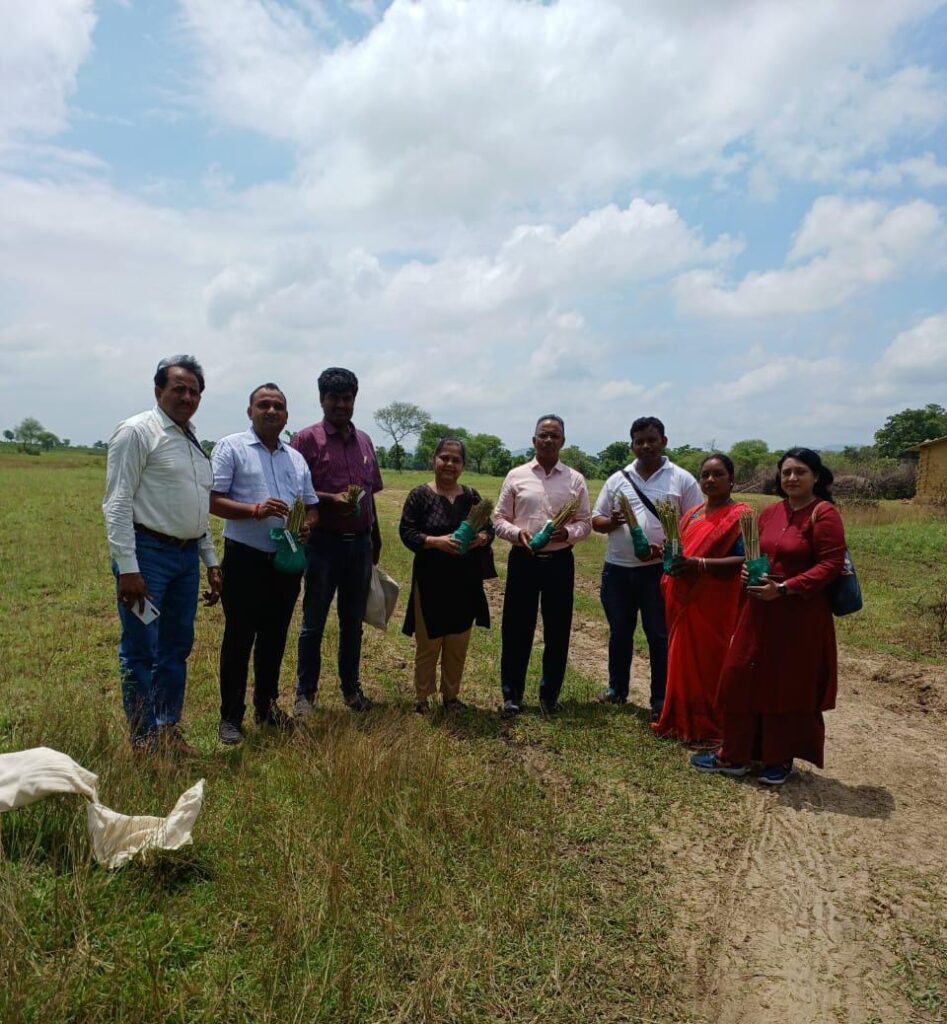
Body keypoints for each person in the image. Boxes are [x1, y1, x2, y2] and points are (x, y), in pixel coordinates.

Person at [692, 448, 846, 786]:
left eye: (800, 472)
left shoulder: (824, 514)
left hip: (799, 615)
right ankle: (733, 755)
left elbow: (830, 566)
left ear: (816, 477)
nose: (792, 478)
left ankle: (777, 759)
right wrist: (750, 568)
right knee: (738, 675)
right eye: (786, 472)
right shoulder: (770, 513)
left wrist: (787, 588)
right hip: (759, 608)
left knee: (787, 685)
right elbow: (756, 553)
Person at [103, 355, 222, 756]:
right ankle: (143, 741)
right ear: (159, 391)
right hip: (147, 557)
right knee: (141, 649)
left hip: (186, 560)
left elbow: (198, 506)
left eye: (194, 391)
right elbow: (117, 503)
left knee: (175, 647)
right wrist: (128, 567)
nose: (187, 396)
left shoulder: (191, 440)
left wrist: (211, 560)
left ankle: (167, 728)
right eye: (179, 388)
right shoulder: (138, 432)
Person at [210, 384, 319, 744]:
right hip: (245, 559)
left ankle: (267, 707)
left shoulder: (296, 459)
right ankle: (230, 717)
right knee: (239, 638)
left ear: (287, 415)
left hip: (286, 561)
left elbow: (312, 506)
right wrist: (254, 511)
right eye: (264, 405)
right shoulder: (231, 448)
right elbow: (212, 499)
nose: (271, 411)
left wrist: (307, 526)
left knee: (275, 637)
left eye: (279, 406)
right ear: (250, 411)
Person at [591, 416, 701, 721]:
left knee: (659, 635)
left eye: (652, 439)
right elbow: (596, 520)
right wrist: (612, 521)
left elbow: (696, 524)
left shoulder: (681, 479)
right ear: (632, 445)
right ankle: (617, 690)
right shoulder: (618, 479)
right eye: (639, 441)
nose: (645, 446)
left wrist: (668, 549)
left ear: (664, 441)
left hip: (659, 572)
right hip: (617, 570)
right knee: (619, 633)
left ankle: (660, 698)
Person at [290, 368, 384, 714]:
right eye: (334, 398)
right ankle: (305, 694)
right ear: (321, 399)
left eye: (348, 398)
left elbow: (371, 493)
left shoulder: (365, 442)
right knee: (313, 621)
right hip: (321, 545)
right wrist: (331, 498)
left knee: (352, 622)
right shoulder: (306, 440)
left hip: (358, 544)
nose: (341, 405)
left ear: (354, 400)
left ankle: (351, 689)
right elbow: (294, 491)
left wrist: (375, 536)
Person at [493, 415, 591, 714]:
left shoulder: (575, 479)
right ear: (533, 440)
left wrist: (568, 532)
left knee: (558, 630)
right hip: (524, 559)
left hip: (560, 562)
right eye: (543, 435)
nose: (548, 440)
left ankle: (549, 696)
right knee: (516, 628)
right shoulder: (516, 475)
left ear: (563, 442)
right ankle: (512, 695)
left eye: (555, 436)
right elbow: (498, 519)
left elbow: (585, 523)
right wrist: (517, 534)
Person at [652, 454, 749, 746]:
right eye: (705, 475)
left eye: (718, 474)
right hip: (682, 597)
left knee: (710, 662)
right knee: (681, 660)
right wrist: (668, 556)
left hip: (714, 601)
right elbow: (680, 550)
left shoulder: (741, 515)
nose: (710, 480)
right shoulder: (691, 514)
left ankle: (709, 726)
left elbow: (748, 558)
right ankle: (680, 719)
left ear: (732, 479)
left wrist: (701, 564)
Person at [399, 438, 495, 714]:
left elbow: (490, 531)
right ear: (434, 460)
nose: (449, 464)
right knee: (428, 642)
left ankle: (451, 697)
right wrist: (435, 541)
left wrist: (482, 537)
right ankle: (422, 699)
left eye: (456, 460)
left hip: (465, 582)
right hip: (431, 581)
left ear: (463, 465)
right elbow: (407, 533)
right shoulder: (420, 495)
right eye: (444, 458)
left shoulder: (472, 497)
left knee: (457, 643)